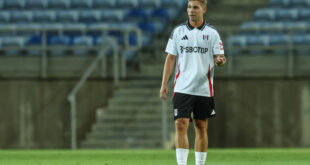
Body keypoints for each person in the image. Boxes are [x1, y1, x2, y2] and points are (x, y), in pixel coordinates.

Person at [159, 0, 226, 165]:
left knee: (201, 127)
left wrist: (220, 61)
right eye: (189, 7)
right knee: (180, 124)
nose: (191, 10)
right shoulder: (178, 31)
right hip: (182, 86)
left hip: (204, 88)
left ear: (204, 9)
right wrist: (164, 83)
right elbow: (171, 58)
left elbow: (220, 58)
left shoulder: (212, 33)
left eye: (195, 7)